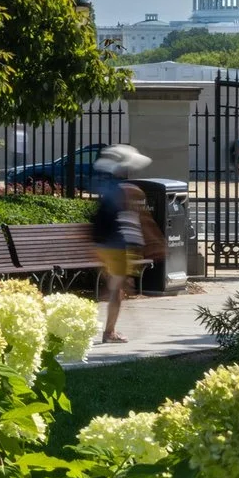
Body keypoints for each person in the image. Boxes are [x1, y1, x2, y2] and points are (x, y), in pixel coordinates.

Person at [88, 144, 151, 344]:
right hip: (117, 245)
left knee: (116, 287)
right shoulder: (124, 189)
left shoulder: (106, 185)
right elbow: (126, 219)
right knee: (116, 290)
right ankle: (109, 332)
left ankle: (110, 326)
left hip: (103, 243)